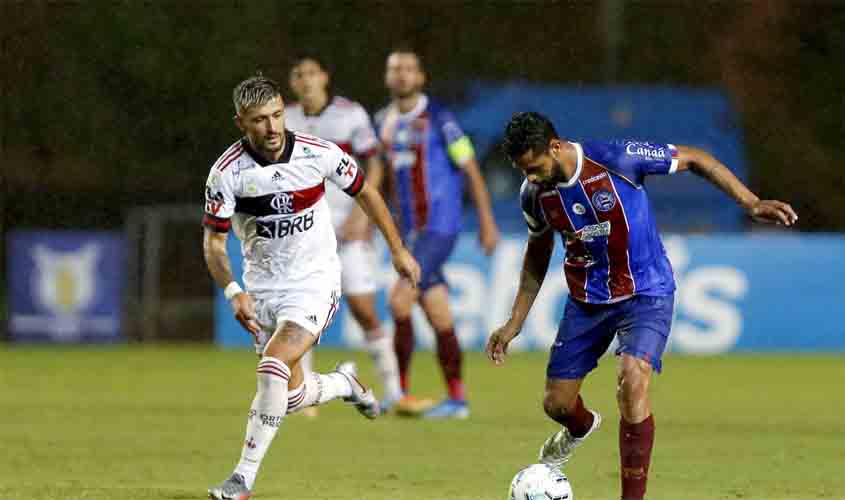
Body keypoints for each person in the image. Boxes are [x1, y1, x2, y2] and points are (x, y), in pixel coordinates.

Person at [486, 112, 797, 500]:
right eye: (523, 171)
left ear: (555, 146)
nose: (530, 177)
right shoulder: (534, 194)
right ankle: (581, 428)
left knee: (632, 379)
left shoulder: (618, 158)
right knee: (558, 404)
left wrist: (750, 203)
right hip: (587, 302)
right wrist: (515, 321)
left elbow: (698, 158)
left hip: (646, 291)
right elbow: (537, 254)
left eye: (534, 167)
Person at [203, 75, 420, 500]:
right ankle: (344, 384)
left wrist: (397, 250)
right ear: (240, 123)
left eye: (277, 115)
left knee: (272, 366)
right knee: (289, 394)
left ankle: (242, 478)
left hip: (315, 282)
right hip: (263, 289)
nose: (271, 128)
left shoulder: (318, 153)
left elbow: (367, 193)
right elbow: (213, 242)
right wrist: (233, 290)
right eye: (259, 120)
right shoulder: (226, 173)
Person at [376, 47, 501, 419]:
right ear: (387, 77)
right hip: (411, 233)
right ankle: (457, 399)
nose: (401, 75)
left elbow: (470, 169)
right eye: (394, 69)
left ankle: (400, 393)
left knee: (399, 300)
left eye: (409, 69)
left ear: (420, 78)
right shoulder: (382, 122)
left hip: (439, 228)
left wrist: (487, 220)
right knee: (439, 313)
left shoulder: (442, 119)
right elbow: (379, 178)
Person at [285, 54, 403, 415]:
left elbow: (375, 164)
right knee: (299, 307)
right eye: (298, 74)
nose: (306, 80)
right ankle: (304, 397)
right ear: (293, 82)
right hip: (304, 227)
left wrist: (361, 214)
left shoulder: (350, 114)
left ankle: (394, 391)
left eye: (311, 73)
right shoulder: (285, 119)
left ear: (324, 77)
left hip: (348, 227)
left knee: (364, 309)